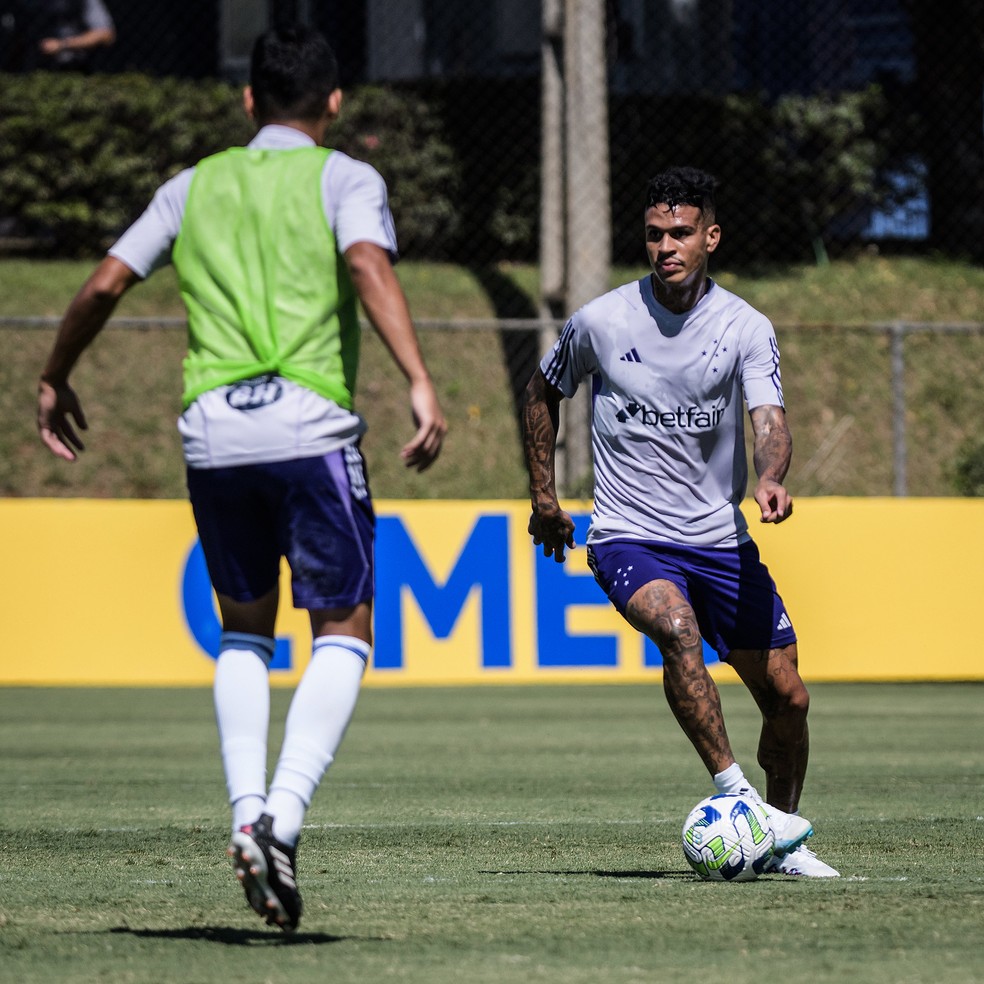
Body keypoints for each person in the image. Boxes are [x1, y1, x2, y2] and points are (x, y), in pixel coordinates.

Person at [36, 25, 447, 930]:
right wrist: (419, 378)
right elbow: (367, 264)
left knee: (243, 633)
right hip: (308, 426)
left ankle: (242, 814)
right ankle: (285, 823)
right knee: (344, 630)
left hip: (215, 435)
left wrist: (56, 373)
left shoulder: (192, 186)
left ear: (249, 101)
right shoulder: (346, 178)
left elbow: (106, 282)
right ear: (334, 104)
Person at [522, 165, 838, 878]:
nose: (666, 246)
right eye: (655, 234)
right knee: (676, 627)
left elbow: (771, 421)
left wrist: (771, 477)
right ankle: (740, 800)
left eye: (681, 233)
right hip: (628, 533)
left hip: (720, 540)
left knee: (789, 698)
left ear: (711, 238)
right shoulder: (600, 321)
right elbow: (542, 391)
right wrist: (544, 495)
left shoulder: (744, 328)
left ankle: (780, 837)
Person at [6, 0, 116, 71]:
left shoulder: (82, 3)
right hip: (30, 69)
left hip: (75, 68)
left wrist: (62, 45)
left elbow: (106, 34)